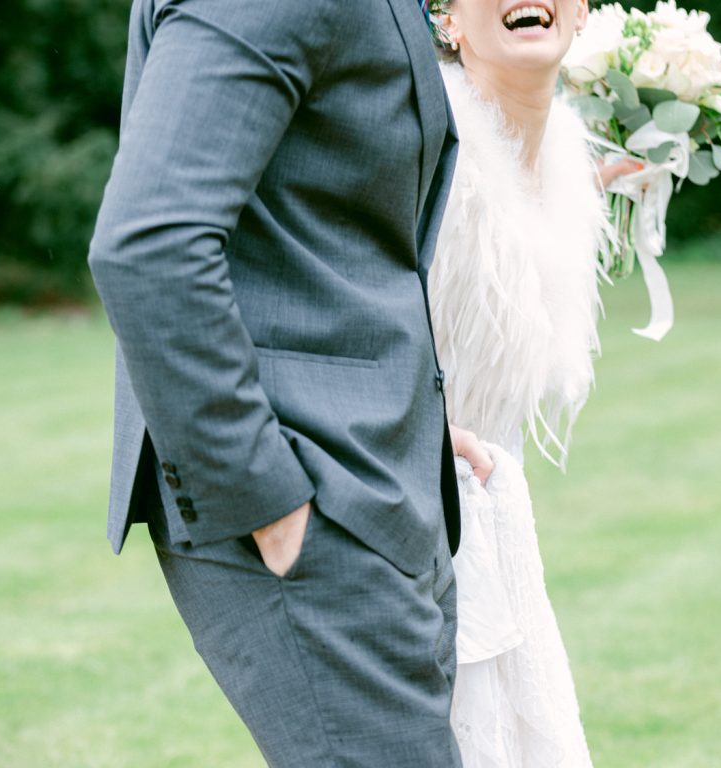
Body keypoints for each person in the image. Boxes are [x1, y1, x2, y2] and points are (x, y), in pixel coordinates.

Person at [87, 0, 464, 765]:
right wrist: (259, 490)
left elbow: (328, 231)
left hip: (374, 481)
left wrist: (414, 417)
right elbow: (147, 245)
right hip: (311, 497)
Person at [428, 1, 641, 764]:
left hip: (495, 499)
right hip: (403, 496)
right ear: (446, 21)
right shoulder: (420, 139)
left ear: (582, 14)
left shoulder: (567, 162)